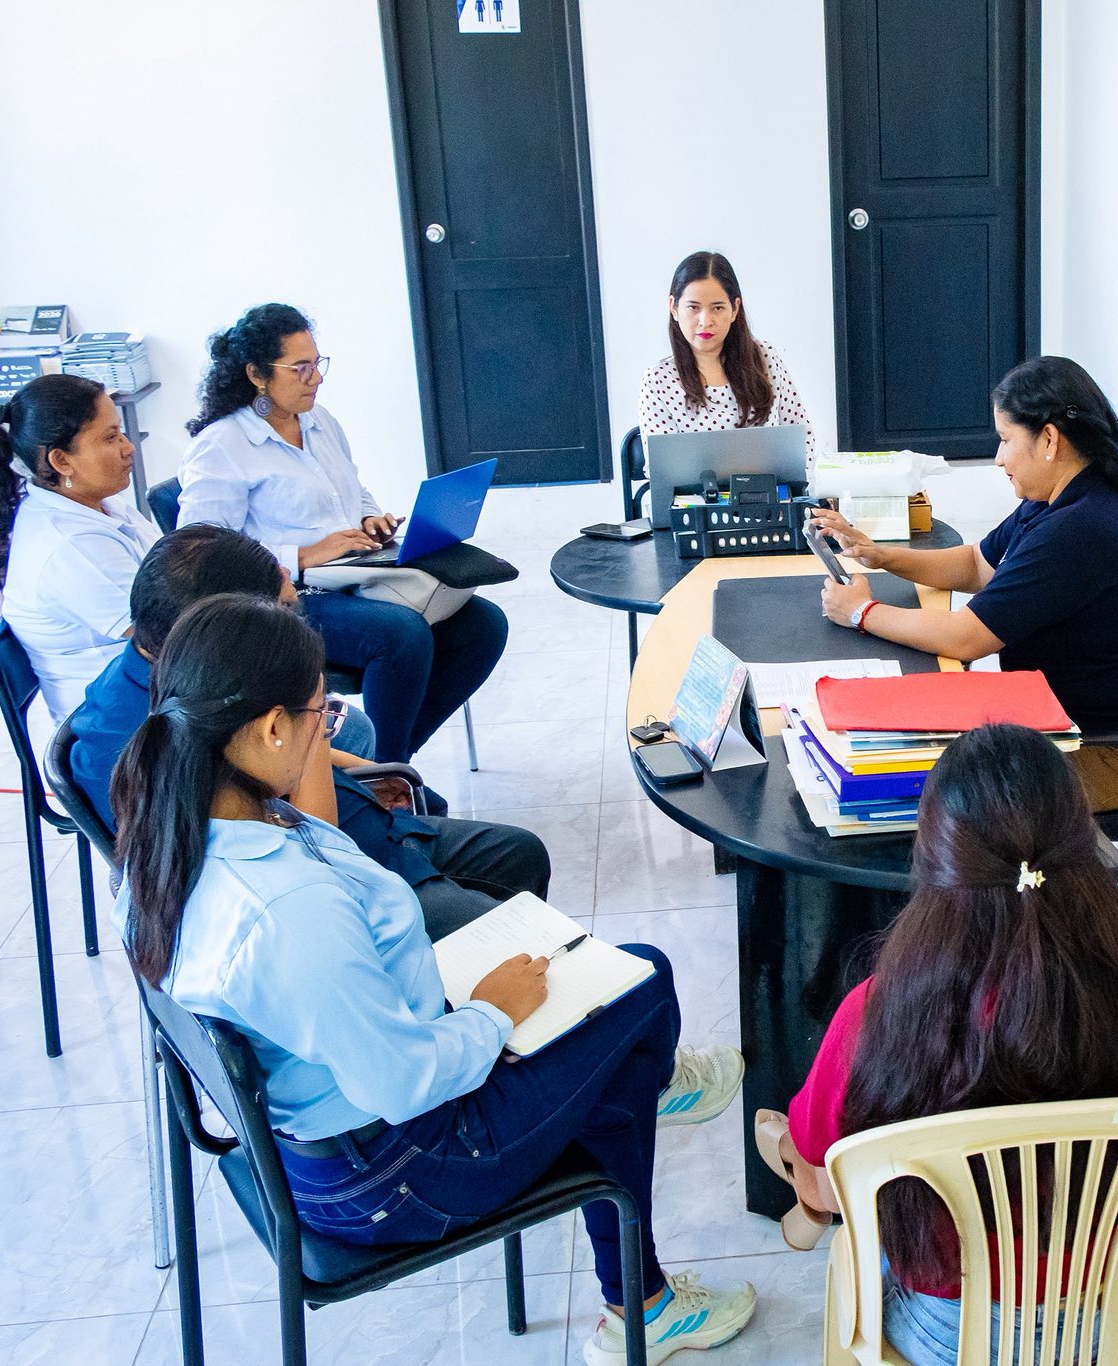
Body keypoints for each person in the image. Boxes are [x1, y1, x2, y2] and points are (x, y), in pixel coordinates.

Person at [111, 593, 756, 1366]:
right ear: (271, 728)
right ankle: (640, 1296)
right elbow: (401, 1081)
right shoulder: (285, 909)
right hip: (397, 1170)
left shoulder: (170, 838)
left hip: (329, 1127)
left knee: (615, 1018)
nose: (328, 730)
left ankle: (640, 1287)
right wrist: (488, 1014)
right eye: (321, 714)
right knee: (640, 989)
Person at [766, 723, 1118, 1364]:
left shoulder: (879, 1012)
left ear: (935, 860)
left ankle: (782, 1142)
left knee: (839, 1207)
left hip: (952, 1331)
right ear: (1084, 838)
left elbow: (829, 1193)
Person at [71, 524, 552, 941]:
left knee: (520, 853)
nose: (293, 613)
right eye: (281, 611)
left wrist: (358, 767)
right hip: (336, 885)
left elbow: (269, 767)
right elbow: (300, 859)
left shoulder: (193, 674)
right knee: (519, 940)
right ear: (218, 628)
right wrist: (313, 713)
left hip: (357, 836)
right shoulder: (132, 745)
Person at [812, 357, 1118, 811]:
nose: (998, 457)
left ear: (1049, 440)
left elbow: (967, 638)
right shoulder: (1059, 497)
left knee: (927, 787)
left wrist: (861, 612)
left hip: (1116, 751)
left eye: (1006, 439)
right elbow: (976, 564)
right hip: (1071, 727)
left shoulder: (1078, 529)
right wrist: (879, 554)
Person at [176, 302, 507, 762]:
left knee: (484, 625)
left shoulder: (320, 422)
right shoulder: (222, 446)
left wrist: (369, 518)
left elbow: (353, 488)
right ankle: (385, 776)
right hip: (283, 597)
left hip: (353, 575)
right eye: (300, 367)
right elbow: (201, 551)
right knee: (401, 635)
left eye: (318, 363)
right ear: (256, 374)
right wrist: (300, 555)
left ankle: (380, 765)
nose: (316, 378)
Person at [0, 373, 159, 720]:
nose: (128, 447)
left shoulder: (102, 504)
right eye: (110, 437)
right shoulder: (70, 545)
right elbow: (167, 633)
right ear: (61, 461)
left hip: (144, 689)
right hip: (116, 723)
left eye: (121, 432)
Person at [638, 250, 816, 460]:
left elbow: (803, 442)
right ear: (674, 308)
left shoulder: (765, 357)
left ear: (734, 308)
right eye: (693, 307)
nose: (705, 321)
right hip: (697, 485)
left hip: (773, 483)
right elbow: (663, 468)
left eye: (717, 308)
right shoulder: (658, 381)